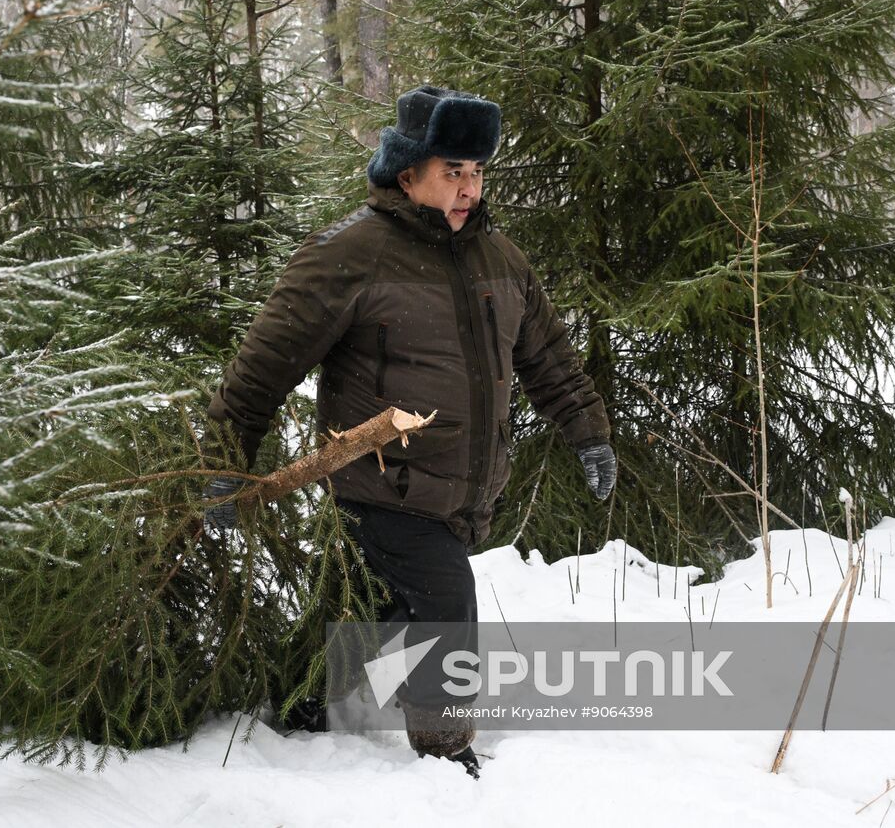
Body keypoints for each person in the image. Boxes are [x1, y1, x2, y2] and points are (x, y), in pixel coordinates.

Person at [201, 85, 616, 777]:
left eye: (477, 171)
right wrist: (225, 459)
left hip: (457, 493)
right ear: (408, 174)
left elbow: (549, 361)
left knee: (369, 610)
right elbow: (262, 367)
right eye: (452, 171)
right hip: (382, 484)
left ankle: (295, 708)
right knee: (443, 600)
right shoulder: (349, 253)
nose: (468, 187)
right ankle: (445, 759)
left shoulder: (501, 260)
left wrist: (589, 432)